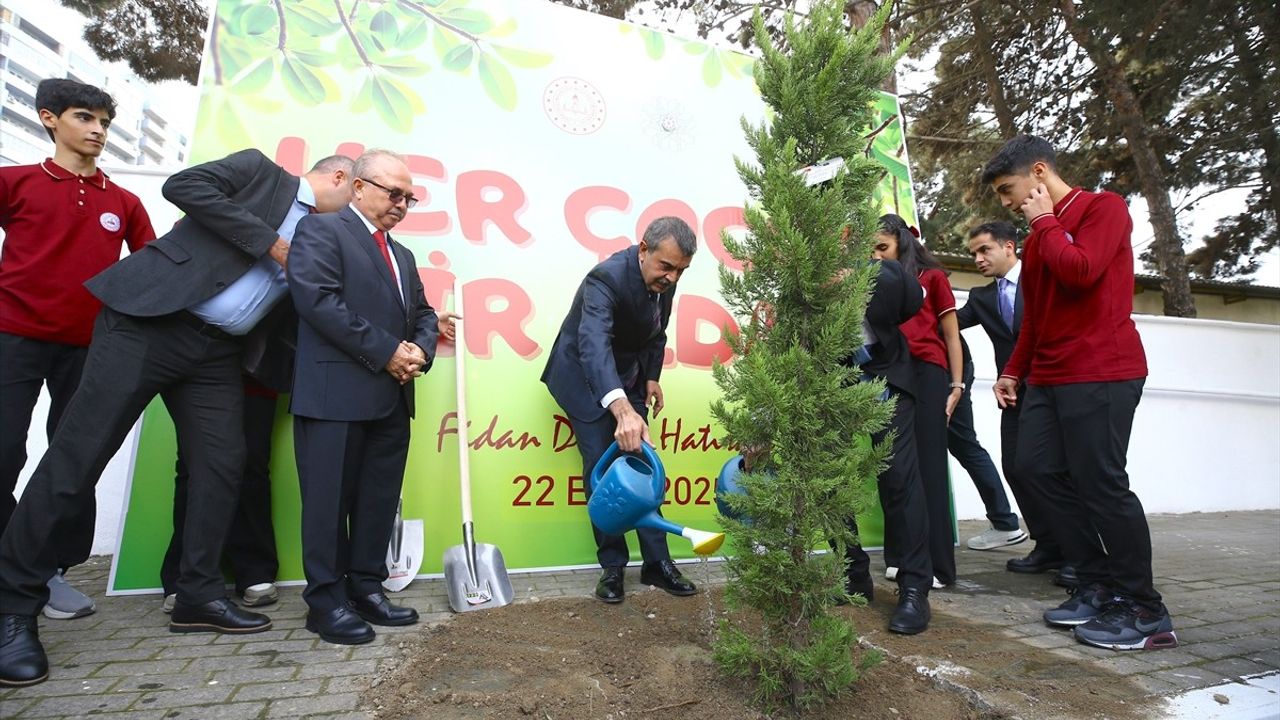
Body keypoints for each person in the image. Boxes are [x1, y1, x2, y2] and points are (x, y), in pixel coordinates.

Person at [0, 148, 355, 687]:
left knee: (222, 465)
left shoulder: (328, 237)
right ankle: (12, 606)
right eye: (361, 192)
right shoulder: (262, 173)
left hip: (217, 353)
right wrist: (272, 244)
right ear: (339, 177)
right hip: (149, 323)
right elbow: (184, 186)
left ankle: (198, 595)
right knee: (79, 458)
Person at [983, 134, 1177, 650]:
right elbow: (1037, 315)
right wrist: (1014, 370)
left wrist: (1046, 223)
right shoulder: (1039, 233)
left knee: (1100, 484)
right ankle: (1096, 583)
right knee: (1032, 468)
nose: (1006, 202)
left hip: (1102, 370)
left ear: (1039, 173)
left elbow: (1082, 274)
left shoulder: (1103, 209)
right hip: (1047, 374)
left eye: (1009, 189)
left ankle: (1146, 611)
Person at [0, 78, 156, 622]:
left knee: (75, 459)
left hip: (91, 348)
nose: (97, 131)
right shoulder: (14, 182)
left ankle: (51, 570)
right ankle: (9, 566)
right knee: (5, 454)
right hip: (13, 336)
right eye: (85, 118)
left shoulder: (125, 200)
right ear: (50, 119)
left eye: (105, 123)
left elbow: (151, 268)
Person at [287, 149, 439, 646]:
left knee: (377, 500)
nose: (401, 204)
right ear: (357, 187)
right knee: (328, 504)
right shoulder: (321, 230)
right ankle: (325, 603)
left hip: (391, 398)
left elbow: (424, 313)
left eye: (408, 198)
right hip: (334, 396)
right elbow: (317, 301)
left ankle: (367, 588)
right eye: (392, 193)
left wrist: (420, 347)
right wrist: (387, 350)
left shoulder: (403, 255)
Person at [541, 217, 699, 604]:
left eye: (681, 270)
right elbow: (593, 345)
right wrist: (622, 408)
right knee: (603, 468)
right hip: (583, 377)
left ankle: (657, 564)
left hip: (628, 375)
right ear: (643, 250)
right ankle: (612, 567)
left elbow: (655, 333)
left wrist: (651, 377)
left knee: (644, 465)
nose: (673, 278)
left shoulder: (665, 280)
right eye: (667, 267)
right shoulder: (605, 279)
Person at [959, 221, 1073, 586]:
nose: (978, 259)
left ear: (1009, 246)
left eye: (984, 250)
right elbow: (947, 323)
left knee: (1055, 470)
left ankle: (1077, 551)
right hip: (1013, 397)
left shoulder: (1041, 280)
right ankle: (1048, 545)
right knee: (1017, 468)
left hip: (1053, 389)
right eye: (973, 253)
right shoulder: (981, 299)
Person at [841, 257, 935, 635]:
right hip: (833, 380)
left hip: (885, 376)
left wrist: (856, 277)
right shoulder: (799, 279)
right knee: (827, 481)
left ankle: (914, 589)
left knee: (898, 478)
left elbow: (910, 296)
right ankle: (852, 573)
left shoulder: (876, 270)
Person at [871, 215, 961, 587]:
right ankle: (901, 557)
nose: (875, 256)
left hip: (927, 373)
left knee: (928, 468)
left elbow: (951, 336)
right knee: (891, 465)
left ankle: (938, 566)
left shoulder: (932, 279)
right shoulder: (870, 281)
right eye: (870, 249)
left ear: (902, 243)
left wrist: (957, 386)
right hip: (889, 372)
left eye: (882, 247)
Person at [947, 334, 1028, 553]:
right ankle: (1003, 520)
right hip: (948, 364)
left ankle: (1004, 521)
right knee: (963, 446)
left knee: (964, 445)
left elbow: (950, 321)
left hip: (947, 366)